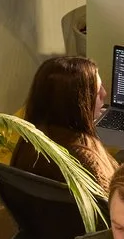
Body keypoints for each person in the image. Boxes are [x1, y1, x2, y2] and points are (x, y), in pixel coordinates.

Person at [7, 53, 115, 189]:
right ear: (77, 102)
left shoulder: (29, 143)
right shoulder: (87, 159)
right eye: (97, 91)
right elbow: (111, 197)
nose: (104, 94)